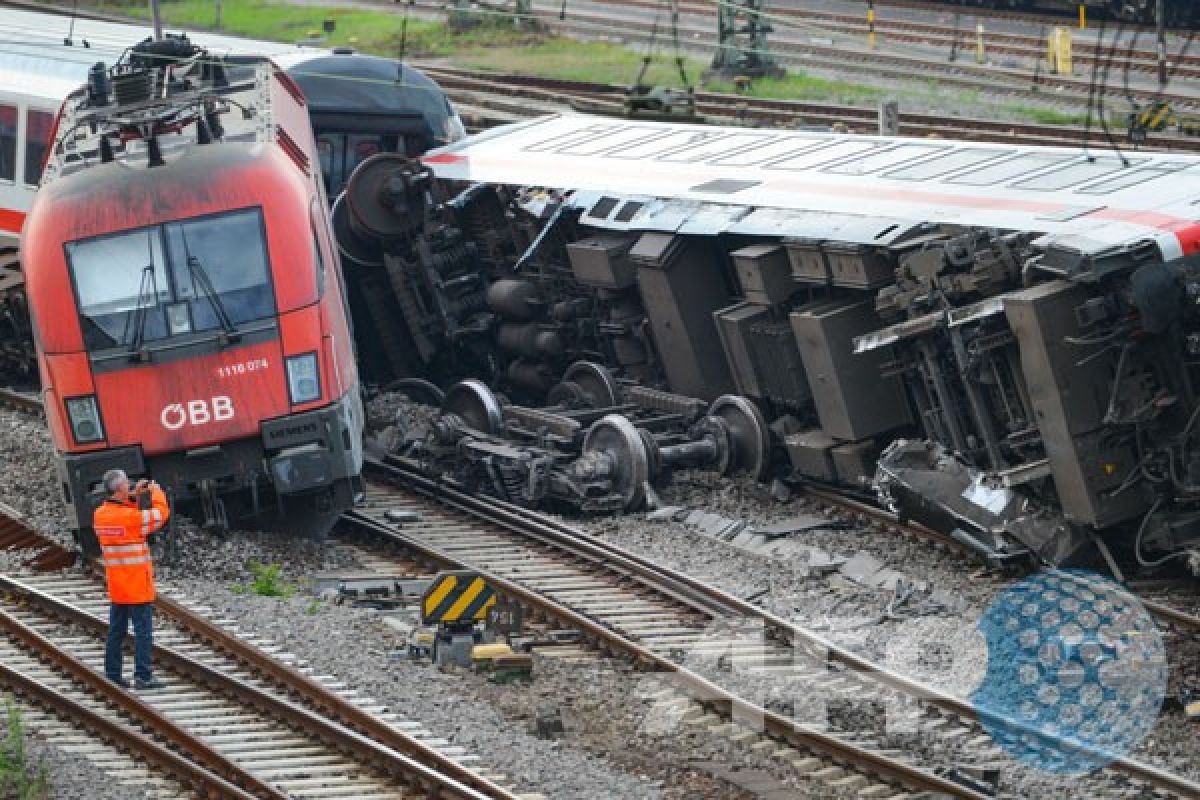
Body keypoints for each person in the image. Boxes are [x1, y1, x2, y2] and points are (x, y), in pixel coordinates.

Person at [94, 469, 170, 689]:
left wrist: (134, 496)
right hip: (137, 585)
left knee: (116, 631)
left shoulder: (100, 515)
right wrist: (156, 492)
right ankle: (143, 676)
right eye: (127, 484)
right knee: (143, 632)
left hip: (118, 587)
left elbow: (125, 519)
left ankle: (113, 673)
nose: (129, 486)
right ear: (119, 489)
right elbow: (160, 515)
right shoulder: (131, 519)